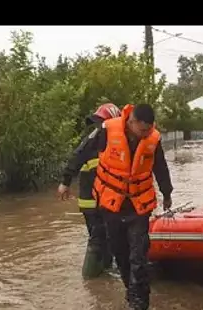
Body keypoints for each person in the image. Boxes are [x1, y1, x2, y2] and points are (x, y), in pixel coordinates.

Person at [58, 103, 173, 310]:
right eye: (143, 130)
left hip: (139, 206)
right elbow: (81, 152)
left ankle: (140, 303)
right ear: (132, 122)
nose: (146, 134)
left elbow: (160, 166)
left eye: (149, 129)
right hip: (112, 205)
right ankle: (132, 291)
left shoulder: (153, 139)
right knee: (120, 253)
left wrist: (167, 193)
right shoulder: (106, 131)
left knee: (138, 256)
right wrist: (66, 180)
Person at [57, 103, 121, 279]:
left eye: (101, 121)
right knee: (98, 236)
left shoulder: (112, 141)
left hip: (102, 200)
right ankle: (90, 279)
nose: (99, 126)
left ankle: (104, 272)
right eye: (98, 122)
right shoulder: (95, 137)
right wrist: (65, 181)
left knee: (105, 236)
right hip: (93, 200)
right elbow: (76, 157)